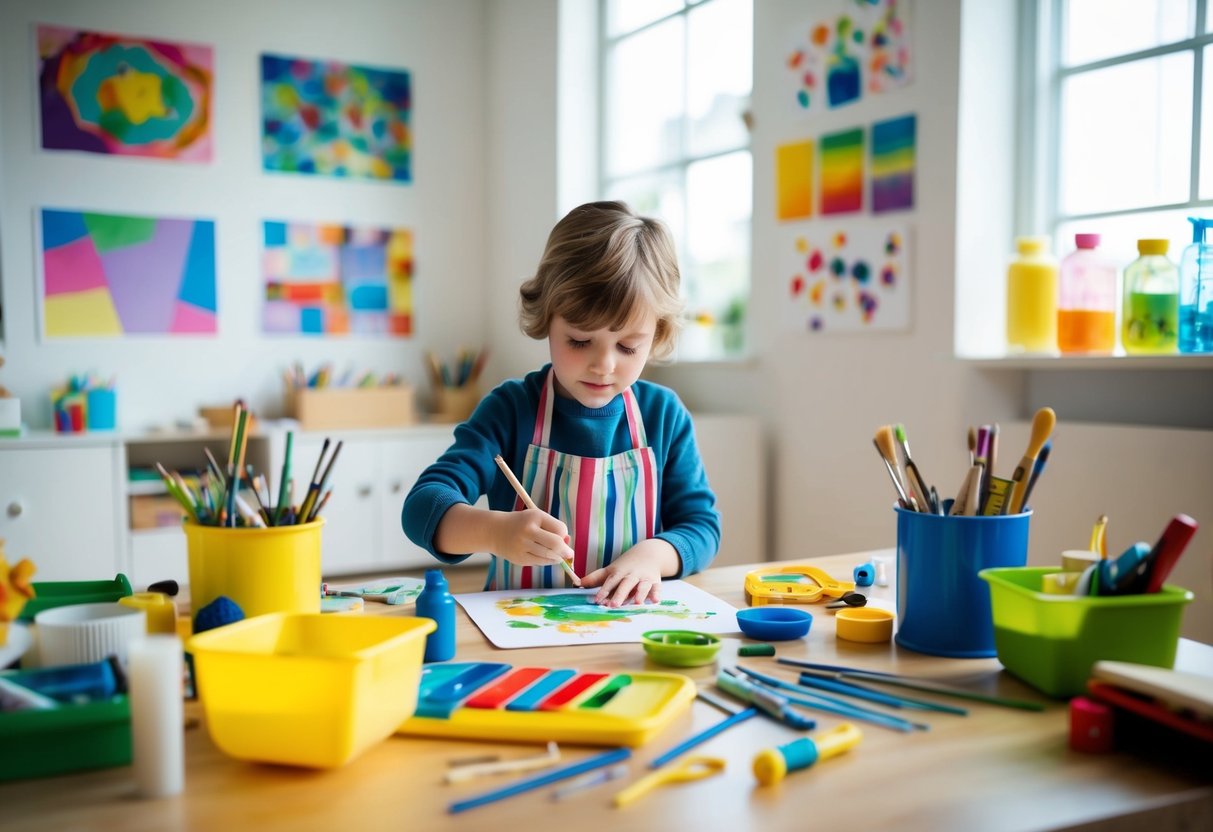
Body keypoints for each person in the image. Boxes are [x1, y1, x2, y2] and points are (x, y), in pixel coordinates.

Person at [402, 201, 720, 606]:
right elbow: (421, 507)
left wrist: (652, 557)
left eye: (627, 346)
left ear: (655, 335)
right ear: (547, 318)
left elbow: (702, 528)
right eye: (580, 341)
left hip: (629, 632)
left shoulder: (664, 416)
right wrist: (494, 532)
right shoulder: (510, 410)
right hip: (517, 630)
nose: (604, 365)